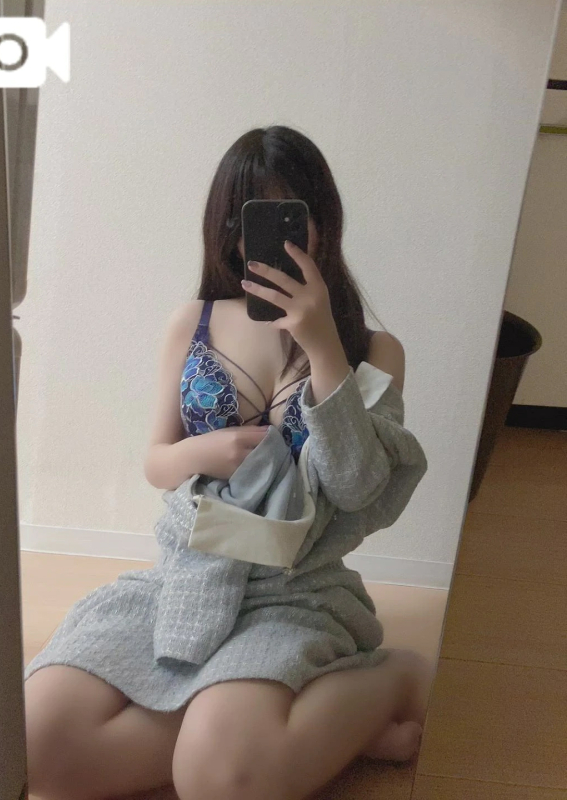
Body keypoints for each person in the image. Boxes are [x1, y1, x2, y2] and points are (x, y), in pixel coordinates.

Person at [24, 125, 430, 800]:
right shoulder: (195, 320)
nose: (261, 241)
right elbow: (158, 462)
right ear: (226, 228)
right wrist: (203, 451)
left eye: (287, 217)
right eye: (247, 220)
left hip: (296, 588)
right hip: (186, 576)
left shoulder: (374, 349)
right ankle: (281, 728)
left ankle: (390, 679)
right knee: (36, 747)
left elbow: (359, 487)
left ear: (322, 221)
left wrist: (323, 345)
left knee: (221, 783)